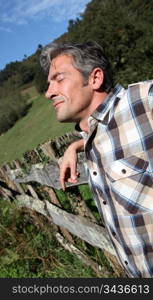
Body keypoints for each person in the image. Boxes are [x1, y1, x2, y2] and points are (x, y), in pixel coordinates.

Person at [40, 41, 153, 278]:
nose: (48, 92)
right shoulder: (92, 138)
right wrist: (76, 145)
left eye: (58, 79)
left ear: (95, 79)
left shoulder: (143, 101)